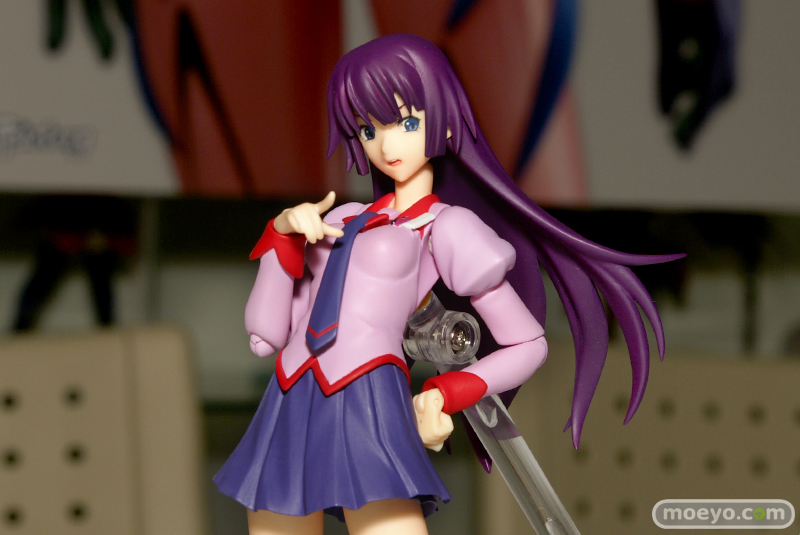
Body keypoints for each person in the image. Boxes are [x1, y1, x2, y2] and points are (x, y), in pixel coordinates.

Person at [215, 34, 681, 535]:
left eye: (406, 123)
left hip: (366, 396)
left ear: (445, 120)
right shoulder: (340, 218)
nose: (386, 146)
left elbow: (529, 344)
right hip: (289, 393)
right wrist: (281, 238)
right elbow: (266, 335)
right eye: (368, 129)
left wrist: (446, 392)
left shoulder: (446, 228)